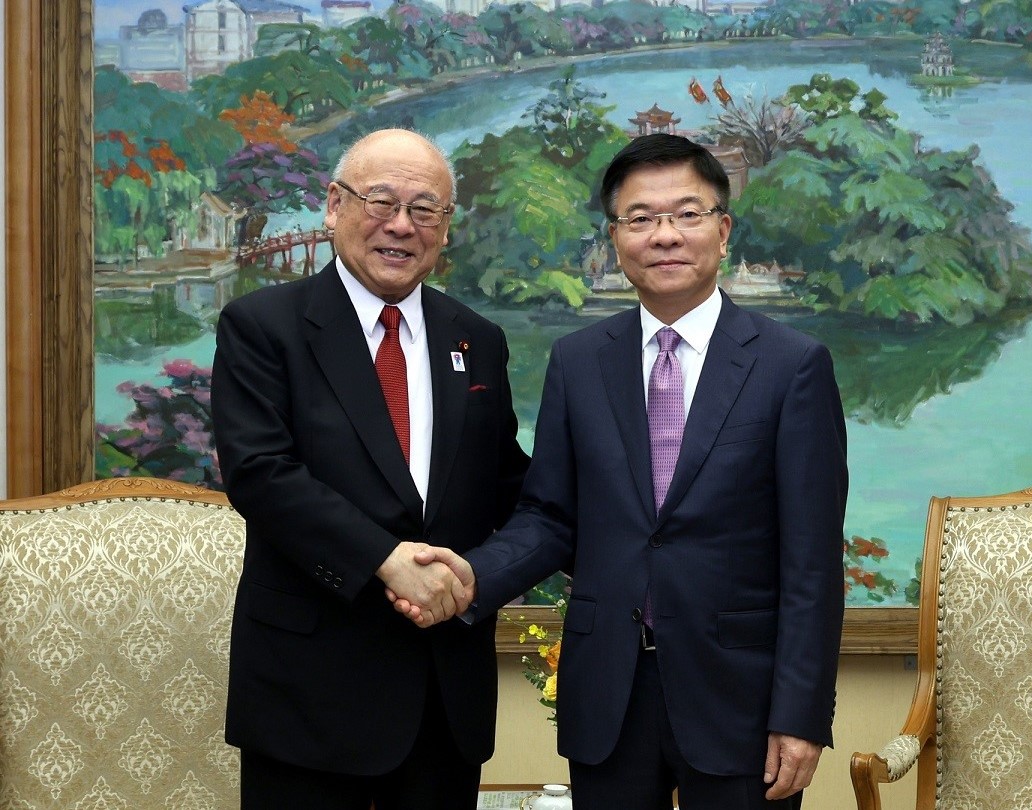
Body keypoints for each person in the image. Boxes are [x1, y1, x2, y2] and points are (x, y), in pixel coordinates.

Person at [406, 133, 848, 809]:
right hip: (608, 691)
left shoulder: (792, 365)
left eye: (687, 214)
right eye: (640, 218)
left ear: (723, 231)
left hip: (741, 697)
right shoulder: (579, 361)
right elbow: (550, 517)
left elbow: (812, 559)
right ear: (615, 239)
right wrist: (471, 578)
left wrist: (802, 713)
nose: (664, 235)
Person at [211, 128, 530, 810]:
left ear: (446, 226)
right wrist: (386, 560)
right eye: (380, 201)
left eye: (425, 209)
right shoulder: (263, 326)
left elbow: (509, 487)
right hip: (309, 697)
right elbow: (261, 473)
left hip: (445, 697)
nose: (400, 225)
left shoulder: (478, 339)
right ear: (334, 206)